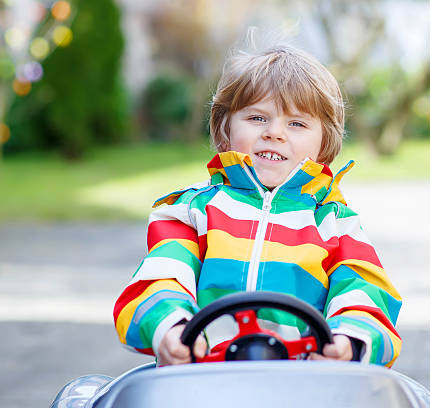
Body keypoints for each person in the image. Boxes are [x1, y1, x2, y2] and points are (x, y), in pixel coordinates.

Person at [113, 45, 402, 367]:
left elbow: (366, 291)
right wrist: (169, 327)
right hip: (201, 380)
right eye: (256, 118)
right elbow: (159, 279)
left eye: (297, 124)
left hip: (305, 385)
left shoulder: (335, 223)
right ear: (225, 129)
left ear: (325, 143)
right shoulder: (190, 212)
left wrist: (350, 339)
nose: (274, 133)